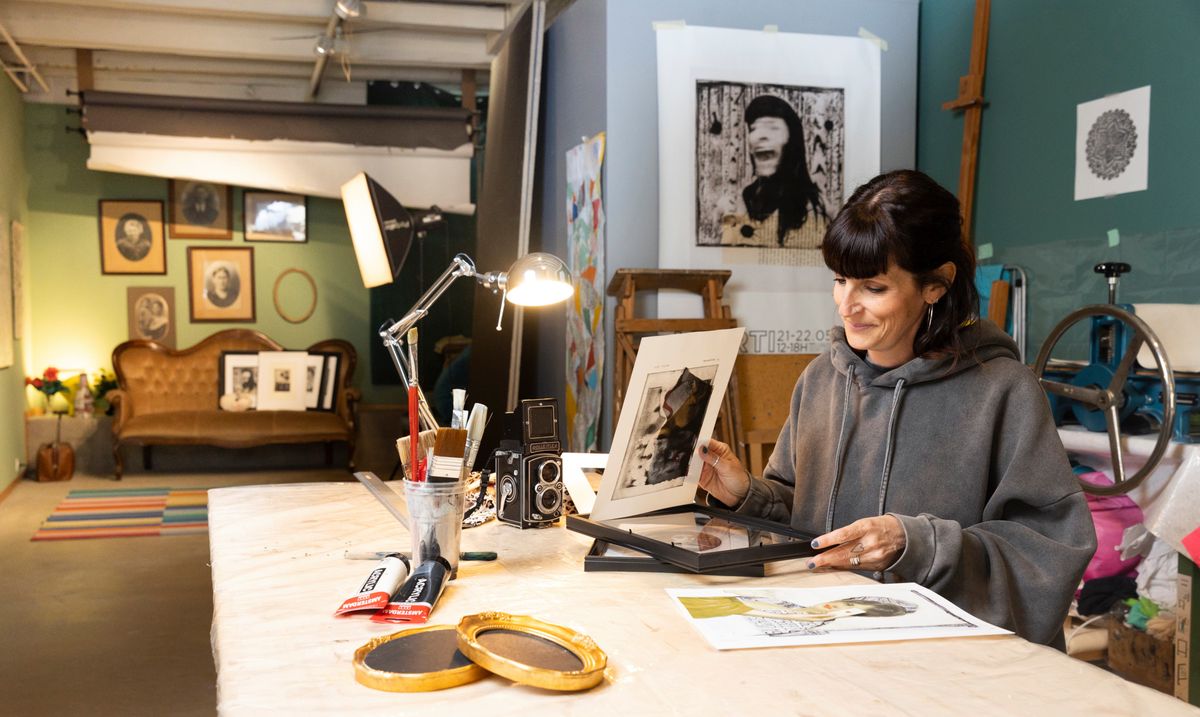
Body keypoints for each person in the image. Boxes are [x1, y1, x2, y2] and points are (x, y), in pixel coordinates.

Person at [698, 169, 1095, 647]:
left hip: (951, 664)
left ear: (936, 284)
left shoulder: (1004, 391)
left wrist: (917, 545)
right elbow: (804, 520)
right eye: (840, 280)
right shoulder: (822, 379)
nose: (846, 305)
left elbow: (1048, 554)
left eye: (873, 287)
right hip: (826, 644)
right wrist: (748, 494)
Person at [719, 94, 827, 249]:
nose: (760, 136)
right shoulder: (738, 203)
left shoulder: (816, 209)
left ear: (791, 140)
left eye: (772, 127)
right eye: (753, 129)